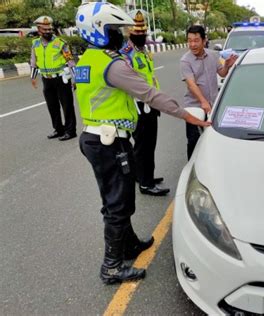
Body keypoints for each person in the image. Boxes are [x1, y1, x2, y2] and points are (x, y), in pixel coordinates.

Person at [75, 2, 210, 285]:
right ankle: (111, 266)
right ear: (100, 31)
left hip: (96, 138)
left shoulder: (87, 60)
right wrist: (189, 116)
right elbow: (150, 94)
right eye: (115, 30)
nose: (122, 35)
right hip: (109, 141)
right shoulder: (111, 65)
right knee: (118, 203)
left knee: (116, 197)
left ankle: (129, 245)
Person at [120, 10, 170, 196]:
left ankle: (143, 175)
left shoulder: (144, 51)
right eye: (137, 32)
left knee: (148, 145)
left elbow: (151, 78)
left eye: (143, 32)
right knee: (144, 146)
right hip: (139, 106)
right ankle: (146, 184)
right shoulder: (126, 54)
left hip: (150, 104)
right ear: (129, 32)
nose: (141, 35)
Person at [180, 25, 237, 159]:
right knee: (194, 141)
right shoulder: (185, 61)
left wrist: (227, 65)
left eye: (196, 40)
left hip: (213, 106)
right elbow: (191, 84)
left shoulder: (212, 55)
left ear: (204, 40)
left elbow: (222, 73)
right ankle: (192, 168)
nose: (192, 44)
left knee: (212, 140)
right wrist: (203, 102)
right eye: (190, 40)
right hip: (194, 108)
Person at [30, 16, 77, 140]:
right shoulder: (35, 43)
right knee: (52, 106)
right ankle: (58, 129)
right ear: (39, 30)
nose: (48, 32)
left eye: (49, 29)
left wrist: (75, 79)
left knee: (67, 106)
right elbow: (33, 61)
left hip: (61, 78)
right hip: (46, 79)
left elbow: (70, 61)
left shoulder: (60, 43)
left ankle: (70, 131)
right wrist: (33, 77)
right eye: (44, 30)